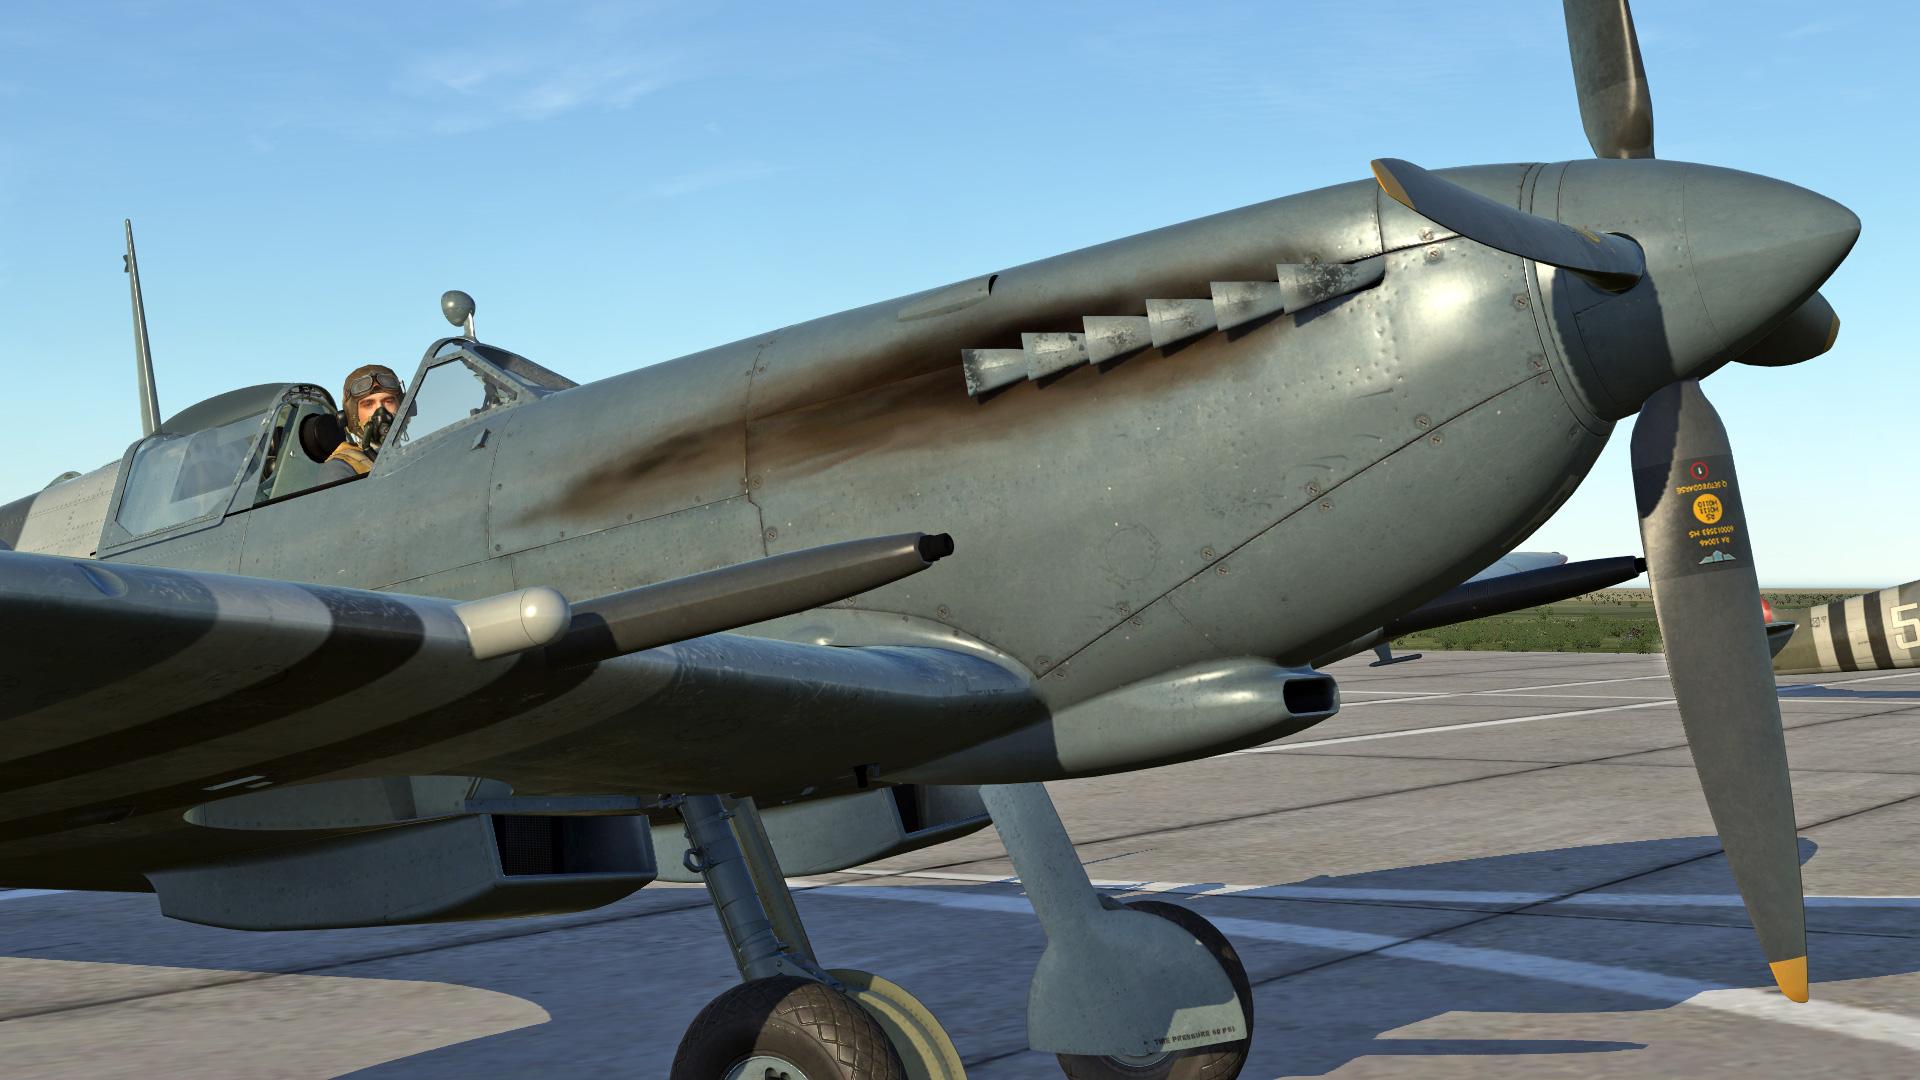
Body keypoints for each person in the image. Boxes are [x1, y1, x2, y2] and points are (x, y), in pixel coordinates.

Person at [319, 364, 404, 481]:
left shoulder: (414, 450)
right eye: (368, 404)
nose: (381, 411)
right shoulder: (340, 468)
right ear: (349, 417)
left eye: (388, 401)